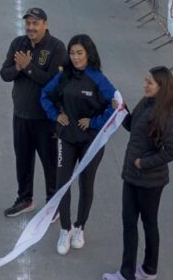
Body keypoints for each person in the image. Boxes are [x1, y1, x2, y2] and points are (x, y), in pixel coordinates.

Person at [103, 66, 173, 280]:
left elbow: (172, 151)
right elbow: (134, 127)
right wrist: (123, 111)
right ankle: (149, 268)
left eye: (150, 82)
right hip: (135, 176)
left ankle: (127, 274)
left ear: (162, 87)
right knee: (148, 223)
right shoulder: (146, 104)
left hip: (147, 180)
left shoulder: (165, 116)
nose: (145, 85)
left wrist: (143, 163)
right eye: (145, 80)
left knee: (132, 223)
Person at [41, 34, 117, 255]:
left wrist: (94, 122)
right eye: (72, 53)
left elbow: (116, 105)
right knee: (62, 183)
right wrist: (55, 115)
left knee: (86, 184)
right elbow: (44, 95)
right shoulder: (64, 76)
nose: (75, 57)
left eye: (79, 53)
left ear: (89, 54)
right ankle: (65, 229)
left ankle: (80, 227)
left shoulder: (98, 79)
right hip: (66, 137)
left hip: (91, 141)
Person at [0, 7, 66, 217]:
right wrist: (18, 68)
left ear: (45, 24)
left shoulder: (56, 48)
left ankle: (53, 202)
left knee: (50, 161)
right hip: (21, 115)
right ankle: (24, 198)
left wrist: (28, 67)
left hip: (45, 118)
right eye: (28, 23)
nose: (31, 28)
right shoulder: (18, 44)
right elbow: (4, 73)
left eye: (35, 23)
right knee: (23, 160)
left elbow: (54, 83)